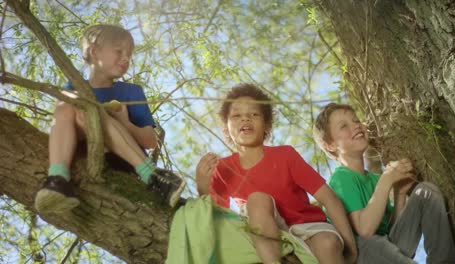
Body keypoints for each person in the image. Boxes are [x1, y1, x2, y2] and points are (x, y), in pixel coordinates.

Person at [196, 84, 357, 264]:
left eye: (254, 114)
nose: (246, 119)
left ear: (266, 124)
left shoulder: (285, 155)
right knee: (257, 200)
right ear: (226, 128)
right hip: (264, 233)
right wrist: (202, 186)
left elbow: (329, 198)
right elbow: (218, 219)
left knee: (328, 243)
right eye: (236, 115)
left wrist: (351, 249)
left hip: (308, 228)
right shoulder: (223, 168)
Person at [34, 24, 185, 213]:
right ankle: (57, 180)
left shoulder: (130, 91)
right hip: (85, 154)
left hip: (124, 161)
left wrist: (124, 122)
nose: (126, 58)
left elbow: (150, 140)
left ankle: (153, 175)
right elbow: (63, 124)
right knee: (69, 105)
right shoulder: (73, 86)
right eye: (119, 51)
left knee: (91, 112)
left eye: (129, 54)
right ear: (95, 52)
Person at [313, 103, 455, 263]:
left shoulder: (375, 179)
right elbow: (365, 230)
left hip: (389, 253)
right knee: (368, 243)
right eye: (344, 126)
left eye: (356, 120)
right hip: (365, 256)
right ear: (330, 145)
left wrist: (400, 195)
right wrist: (387, 179)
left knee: (425, 192)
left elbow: (391, 233)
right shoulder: (341, 179)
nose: (355, 126)